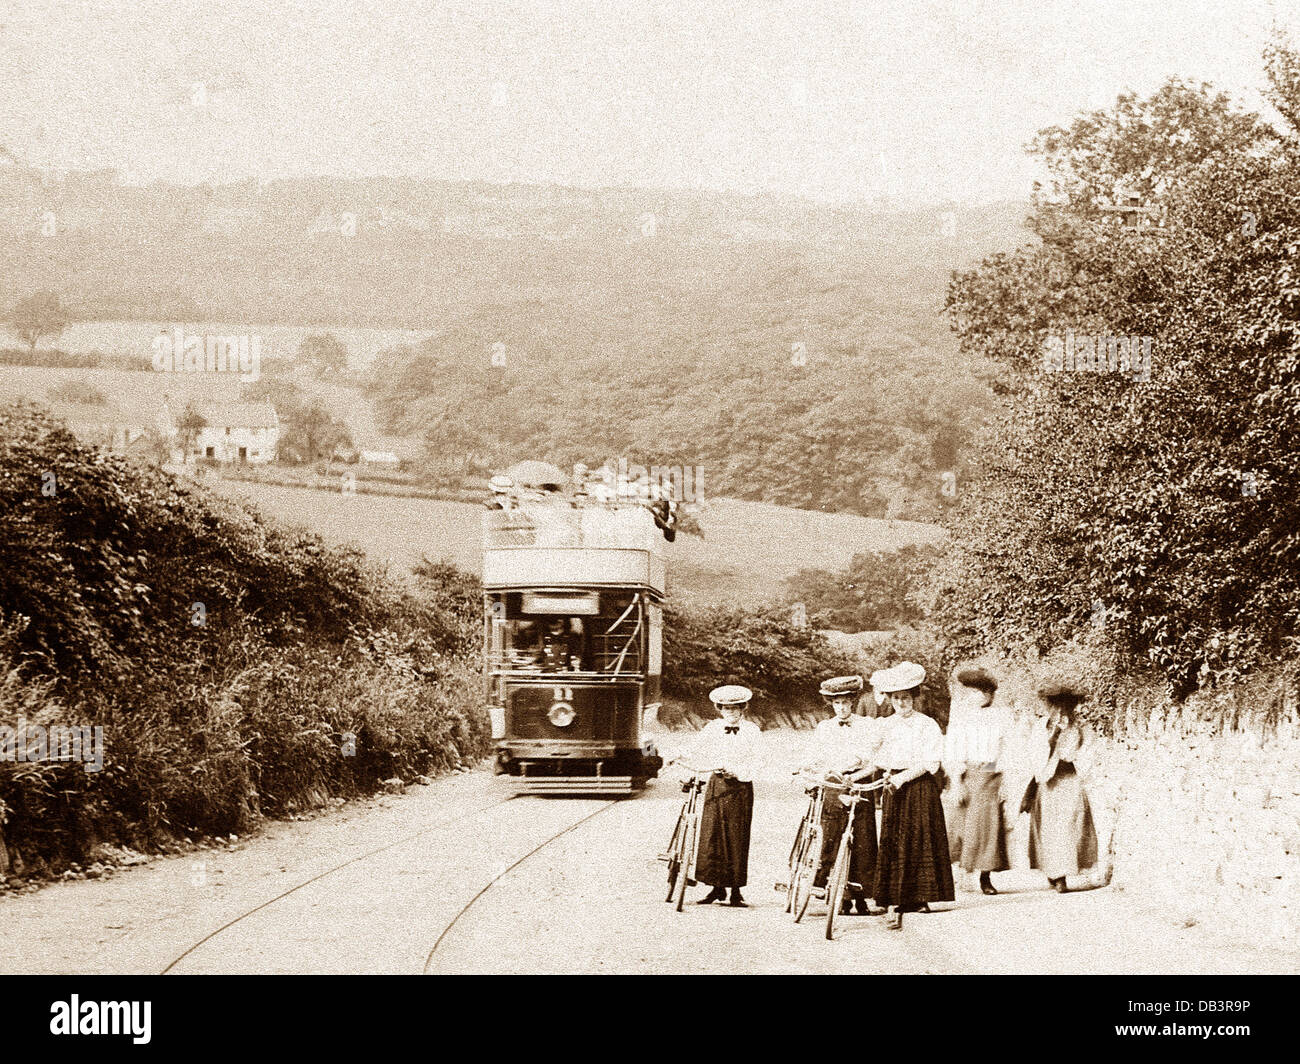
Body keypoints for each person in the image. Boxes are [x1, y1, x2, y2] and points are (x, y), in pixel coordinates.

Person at [870, 661, 955, 930]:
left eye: (906, 698)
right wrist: (883, 772)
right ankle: (893, 896)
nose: (901, 703)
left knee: (920, 837)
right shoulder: (885, 725)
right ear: (891, 700)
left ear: (914, 698)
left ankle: (921, 896)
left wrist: (902, 777)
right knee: (895, 839)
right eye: (896, 698)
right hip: (893, 785)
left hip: (919, 786)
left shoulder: (927, 725)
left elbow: (931, 762)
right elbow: (875, 755)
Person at [799, 675, 883, 916]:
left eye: (846, 703)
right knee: (832, 834)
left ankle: (860, 896)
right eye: (837, 704)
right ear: (831, 705)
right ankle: (837, 893)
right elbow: (813, 755)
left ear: (853, 702)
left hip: (858, 782)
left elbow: (873, 760)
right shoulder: (824, 727)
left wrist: (856, 774)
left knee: (863, 839)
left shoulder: (867, 725)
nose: (842, 708)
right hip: (834, 784)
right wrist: (807, 769)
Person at [688, 684, 761, 907]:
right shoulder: (712, 728)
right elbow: (695, 748)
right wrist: (677, 756)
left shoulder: (752, 730)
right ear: (720, 709)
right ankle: (716, 888)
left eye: (735, 708)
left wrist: (738, 772)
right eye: (726, 709)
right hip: (716, 786)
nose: (730, 712)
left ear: (742, 709)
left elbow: (759, 760)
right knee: (713, 835)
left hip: (739, 788)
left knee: (736, 837)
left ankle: (736, 891)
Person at [1023, 682, 1098, 892]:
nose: (1059, 710)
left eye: (1064, 705)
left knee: (1071, 824)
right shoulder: (1041, 727)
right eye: (1055, 705)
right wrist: (1053, 737)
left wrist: (1073, 753)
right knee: (1051, 828)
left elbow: (1087, 752)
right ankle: (1055, 873)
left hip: (1070, 778)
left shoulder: (1081, 727)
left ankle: (1063, 872)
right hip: (1049, 781)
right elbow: (1034, 753)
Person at [944, 666, 1010, 895]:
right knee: (960, 826)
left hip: (990, 777)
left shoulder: (1001, 717)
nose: (977, 697)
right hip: (966, 774)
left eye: (982, 693)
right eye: (972, 693)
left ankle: (985, 875)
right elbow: (953, 751)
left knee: (986, 828)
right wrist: (956, 780)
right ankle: (959, 874)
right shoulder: (962, 719)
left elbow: (1005, 750)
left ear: (990, 695)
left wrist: (993, 772)